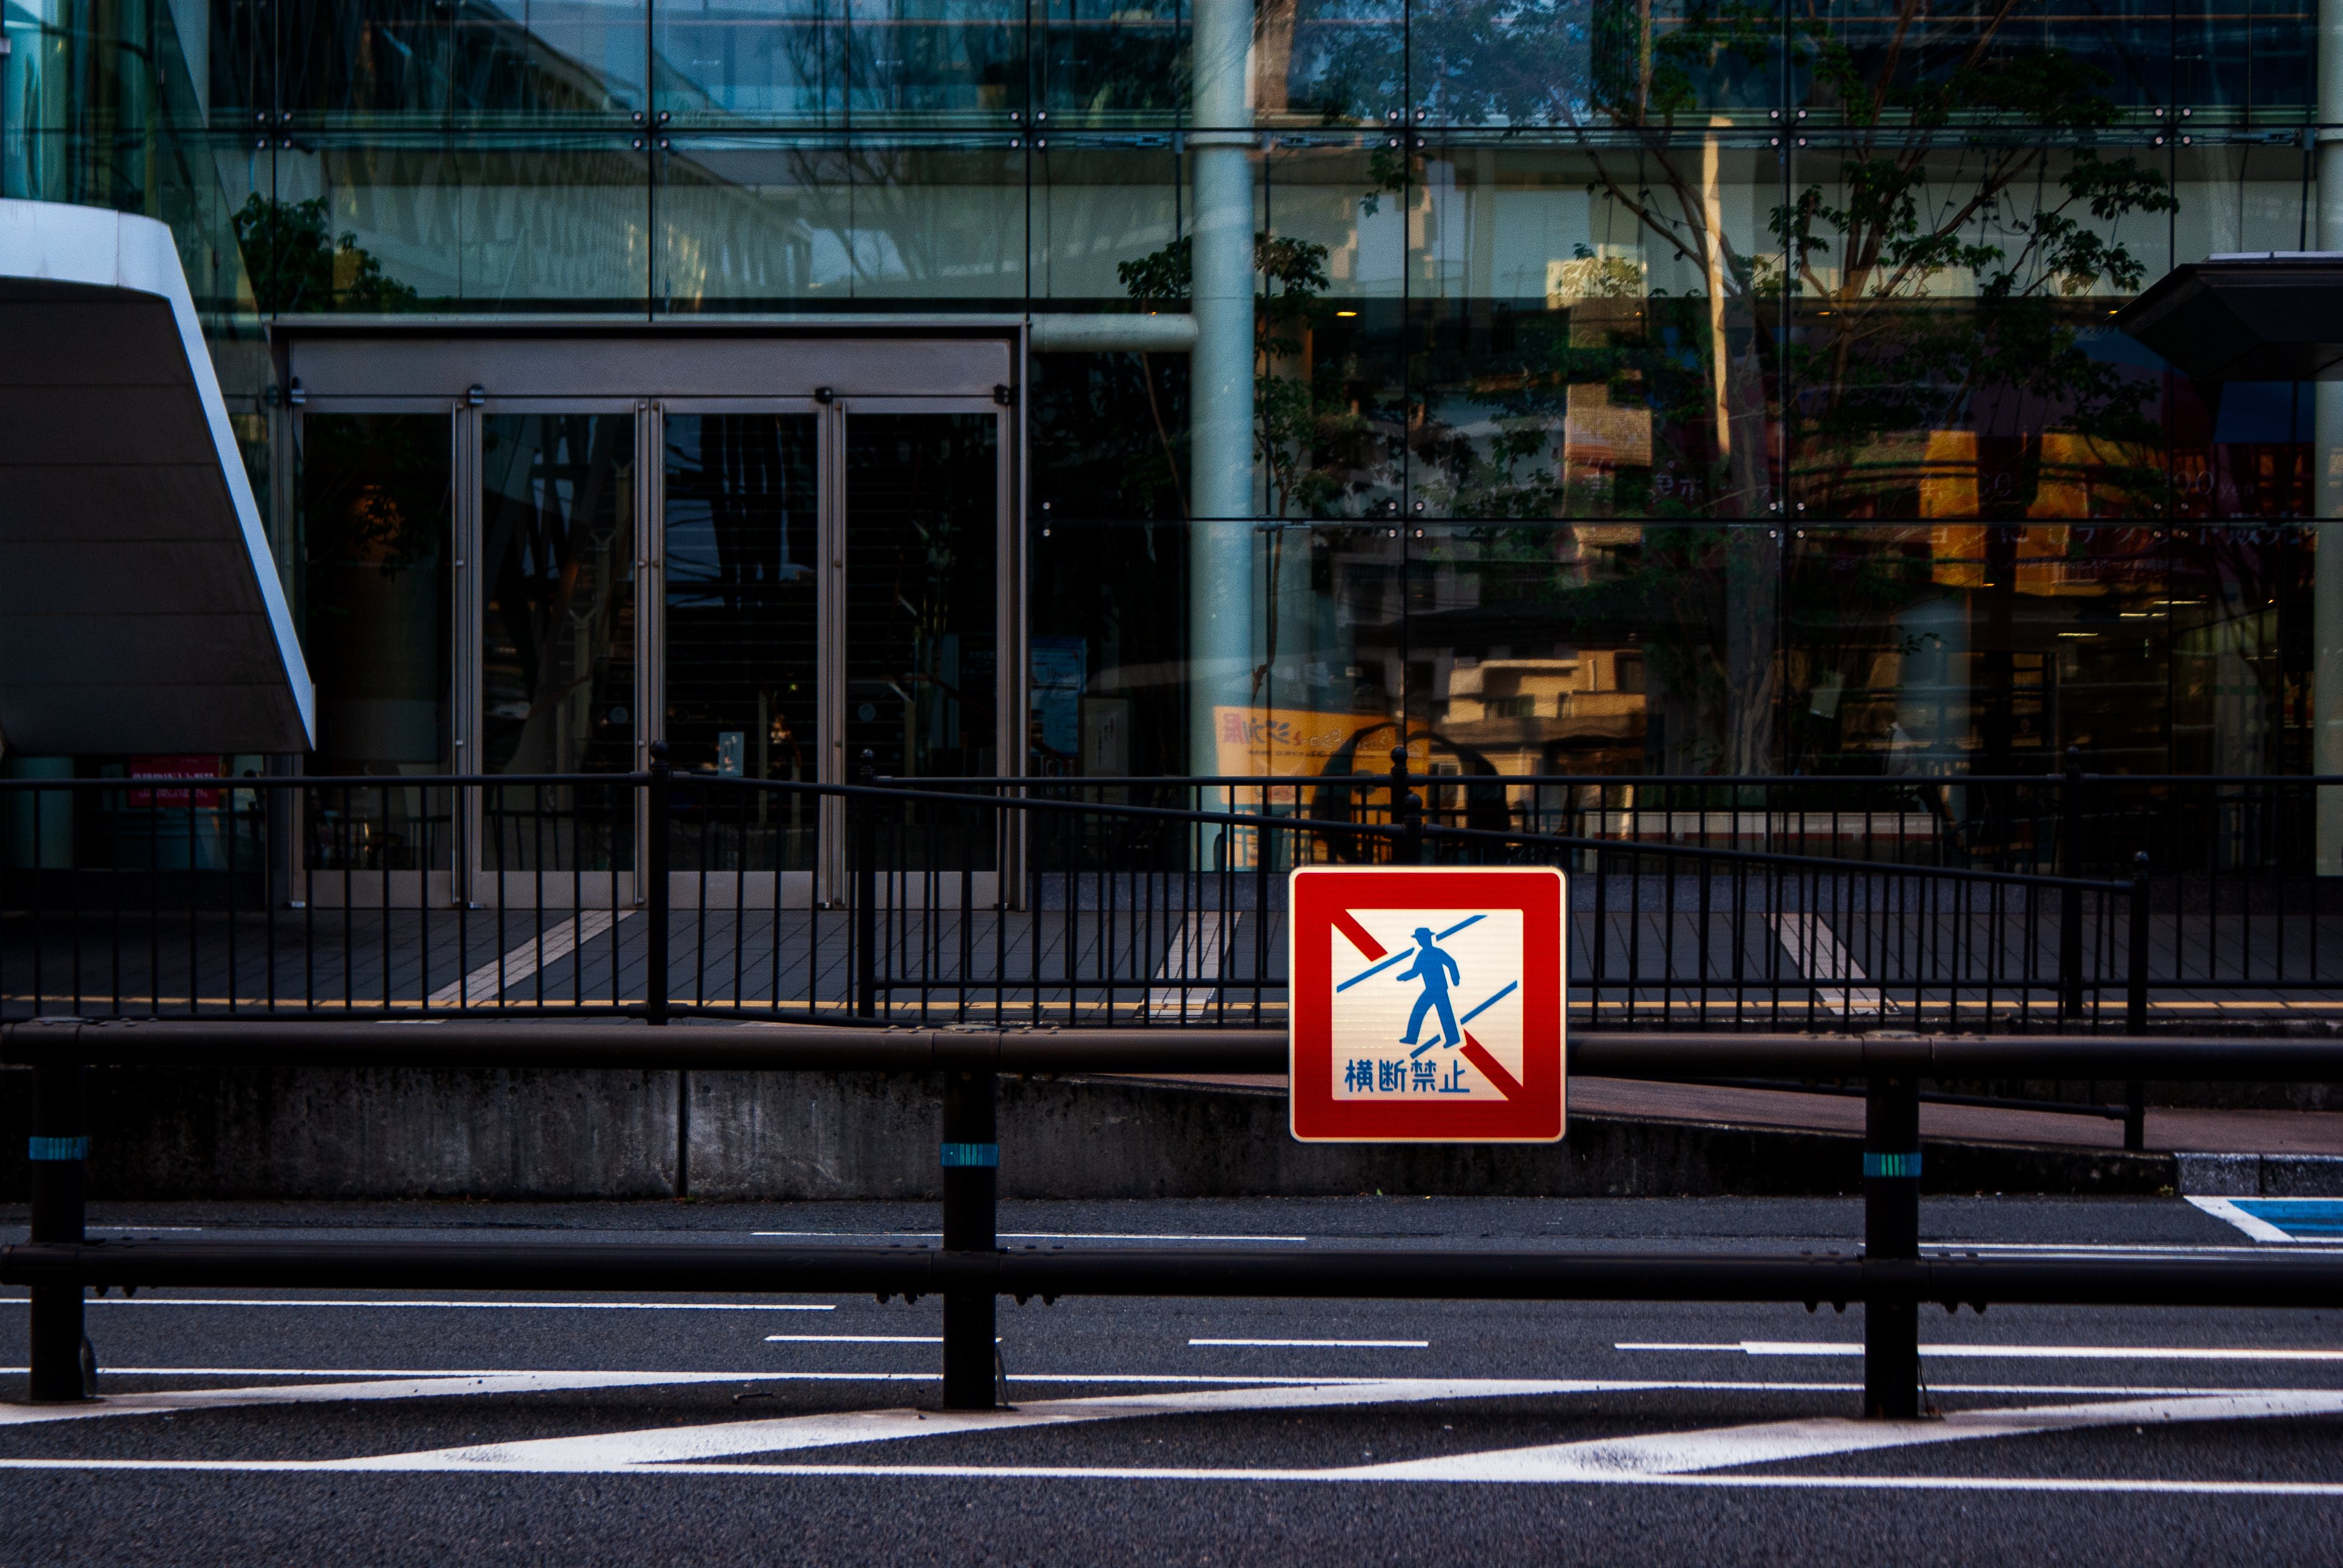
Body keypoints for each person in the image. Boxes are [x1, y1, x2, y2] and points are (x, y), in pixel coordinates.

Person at [1395, 927, 1462, 1048]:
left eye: (1421, 938)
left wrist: (1455, 979)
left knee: (1423, 1012)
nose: (1420, 941)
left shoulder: (1435, 952)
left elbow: (1451, 963)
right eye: (1419, 939)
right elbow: (1416, 972)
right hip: (1434, 989)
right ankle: (1452, 1038)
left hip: (1437, 989)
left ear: (1427, 939)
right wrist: (1403, 977)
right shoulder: (1423, 954)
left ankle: (1412, 1038)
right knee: (1443, 1013)